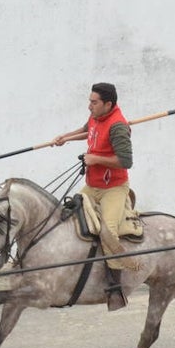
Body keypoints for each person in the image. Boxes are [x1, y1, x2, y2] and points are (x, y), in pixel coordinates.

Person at [52, 82, 135, 311]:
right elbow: (86, 129)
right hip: (92, 185)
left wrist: (95, 159)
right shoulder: (97, 117)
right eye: (89, 101)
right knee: (66, 216)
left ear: (108, 104)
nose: (90, 106)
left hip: (113, 188)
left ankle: (115, 289)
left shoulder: (118, 126)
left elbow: (126, 161)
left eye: (94, 102)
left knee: (108, 231)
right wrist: (65, 137)